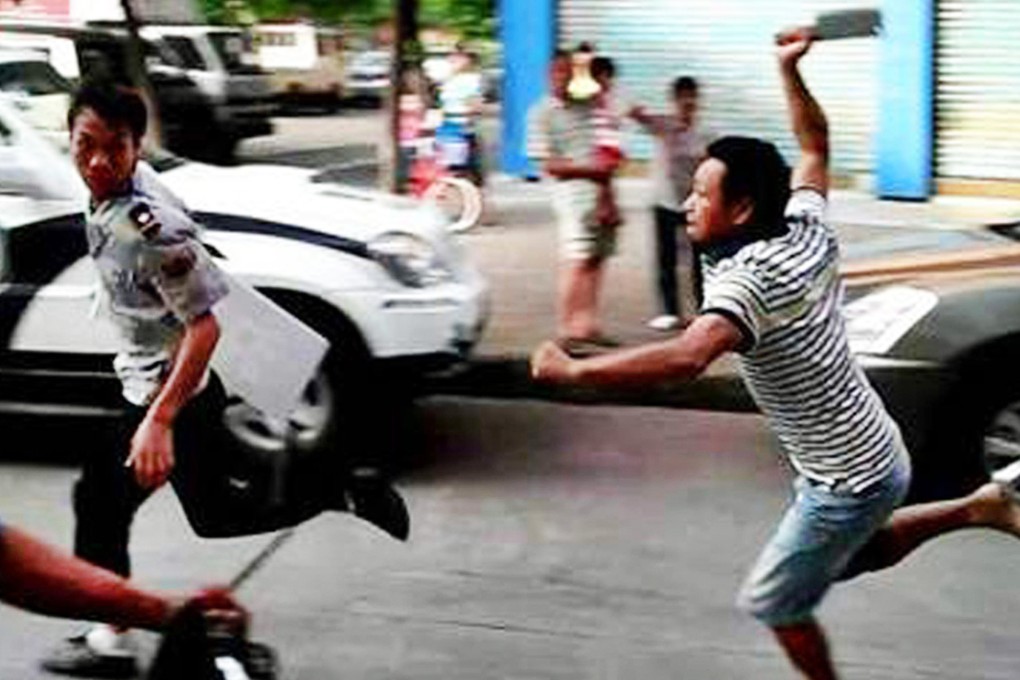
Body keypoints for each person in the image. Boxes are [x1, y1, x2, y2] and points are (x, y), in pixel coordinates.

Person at [531, 28, 1020, 680]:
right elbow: (815, 146)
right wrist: (788, 69)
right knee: (849, 556)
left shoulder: (749, 281)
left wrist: (575, 371)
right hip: (872, 448)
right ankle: (979, 507)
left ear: (742, 208)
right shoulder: (805, 224)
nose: (686, 204)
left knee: (776, 600)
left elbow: (686, 358)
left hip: (849, 477)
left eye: (702, 195)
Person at [42, 80, 408, 678]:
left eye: (117, 148)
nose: (99, 162)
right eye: (86, 145)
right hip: (164, 386)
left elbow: (204, 329)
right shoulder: (119, 196)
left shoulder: (149, 230)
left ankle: (108, 641)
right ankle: (341, 489)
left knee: (102, 500)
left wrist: (160, 420)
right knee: (210, 513)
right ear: (71, 139)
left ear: (138, 146)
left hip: (167, 393)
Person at [527, 49, 623, 355]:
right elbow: (550, 166)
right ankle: (566, 329)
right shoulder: (541, 113)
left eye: (567, 71)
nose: (562, 77)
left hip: (601, 195)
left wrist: (609, 197)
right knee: (577, 260)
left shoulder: (589, 107)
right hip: (572, 198)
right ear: (548, 75)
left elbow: (605, 156)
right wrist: (591, 171)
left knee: (597, 259)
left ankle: (588, 324)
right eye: (557, 72)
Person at [630, 76, 710, 332]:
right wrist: (636, 111)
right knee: (666, 258)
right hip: (664, 201)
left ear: (697, 100)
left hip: (694, 203)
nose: (687, 102)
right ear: (674, 100)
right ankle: (669, 311)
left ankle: (704, 309)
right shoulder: (663, 125)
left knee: (700, 260)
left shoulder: (706, 132)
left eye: (692, 96)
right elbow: (637, 116)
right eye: (682, 97)